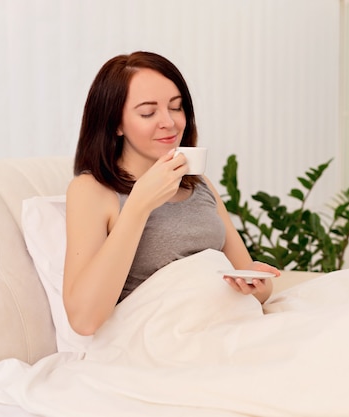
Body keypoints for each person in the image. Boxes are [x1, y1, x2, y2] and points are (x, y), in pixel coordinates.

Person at [63, 51, 279, 336]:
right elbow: (84, 320)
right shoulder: (92, 191)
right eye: (148, 112)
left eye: (176, 108)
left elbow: (247, 276)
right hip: (162, 342)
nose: (169, 122)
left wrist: (260, 286)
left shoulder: (199, 184)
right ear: (115, 123)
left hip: (230, 329)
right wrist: (139, 204)